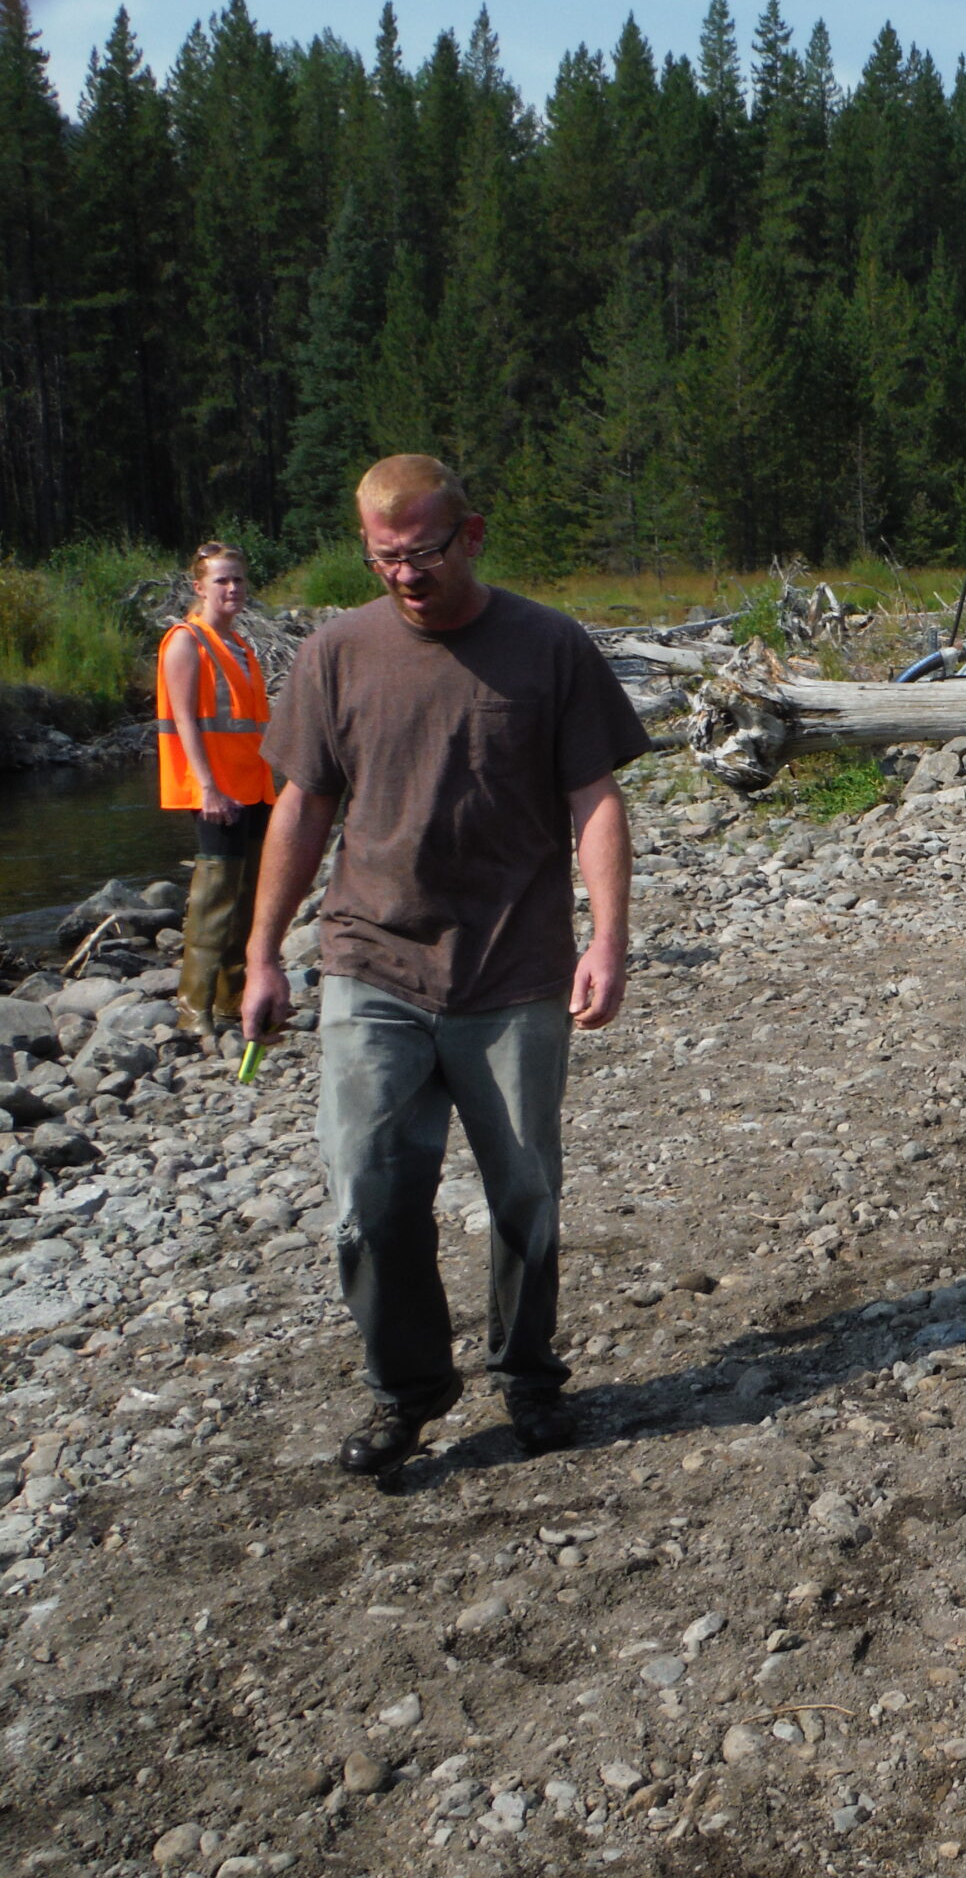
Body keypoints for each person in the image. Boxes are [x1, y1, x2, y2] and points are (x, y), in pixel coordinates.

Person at [240, 455, 650, 1475]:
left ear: (470, 533)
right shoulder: (337, 653)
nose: (407, 576)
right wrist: (260, 955)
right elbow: (301, 808)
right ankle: (407, 1393)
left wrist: (606, 936)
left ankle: (527, 1374)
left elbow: (594, 798)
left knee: (523, 1192)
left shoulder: (548, 647)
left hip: (514, 971)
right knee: (371, 1198)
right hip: (369, 963)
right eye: (386, 559)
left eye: (422, 552)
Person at [157, 542, 277, 1036]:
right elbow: (185, 721)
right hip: (216, 789)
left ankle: (231, 1002)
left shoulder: (241, 646)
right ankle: (193, 1012)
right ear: (199, 587)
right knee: (214, 899)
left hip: (253, 785)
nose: (232, 589)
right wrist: (207, 787)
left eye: (239, 580)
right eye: (222, 580)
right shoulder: (186, 640)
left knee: (248, 895)